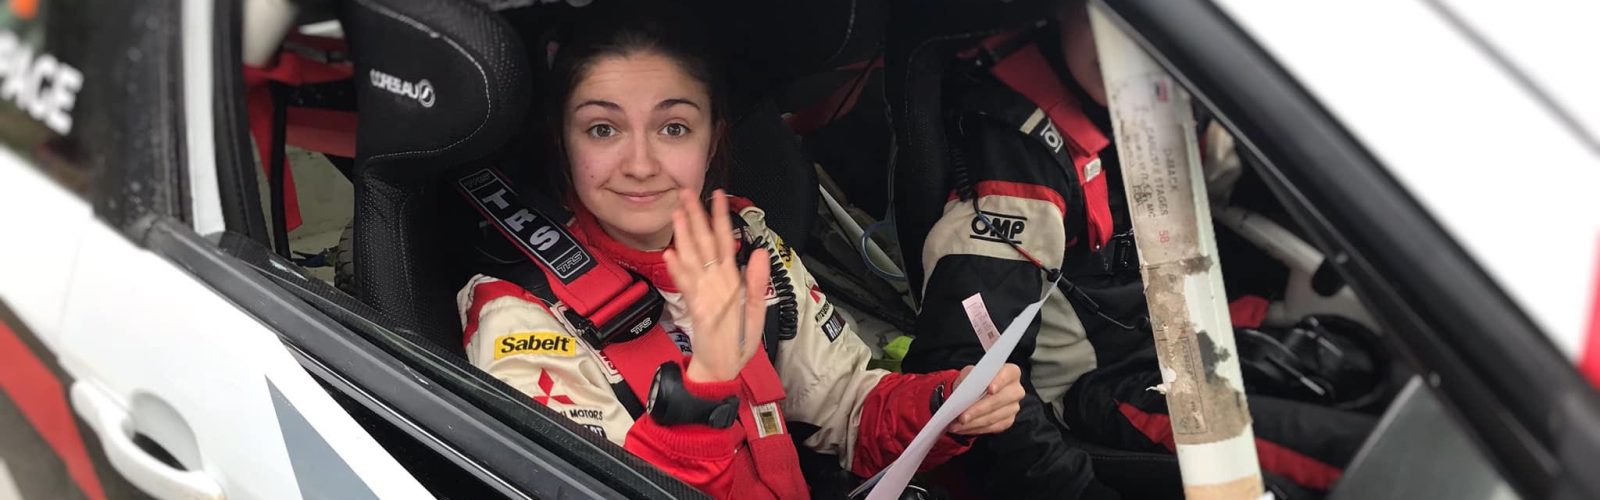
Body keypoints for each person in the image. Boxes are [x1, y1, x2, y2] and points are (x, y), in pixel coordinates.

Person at [456, 5, 1025, 499]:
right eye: (603, 129)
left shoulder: (747, 242)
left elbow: (847, 408)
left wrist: (946, 404)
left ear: (712, 142)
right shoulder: (518, 314)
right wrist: (703, 389)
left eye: (674, 128)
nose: (640, 164)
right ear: (564, 143)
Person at [901, 1, 1376, 498]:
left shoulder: (1180, 102)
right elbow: (967, 364)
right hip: (1100, 386)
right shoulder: (1021, 151)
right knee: (1342, 455)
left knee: (1365, 372)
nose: (1129, 53)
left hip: (1179, 327)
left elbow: (1238, 184)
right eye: (1112, 21)